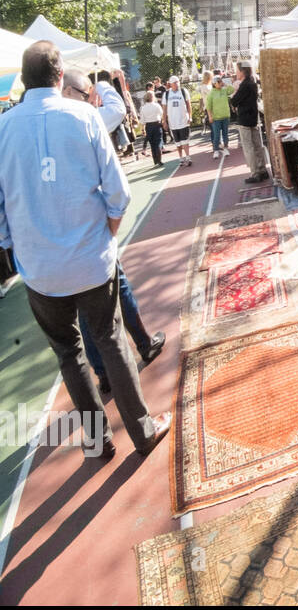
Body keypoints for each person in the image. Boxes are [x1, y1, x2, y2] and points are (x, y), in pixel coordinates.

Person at [0, 42, 171, 460]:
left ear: (25, 79)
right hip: (91, 260)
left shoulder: (4, 128)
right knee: (110, 340)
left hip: (39, 269)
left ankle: (98, 441)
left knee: (68, 354)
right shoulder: (84, 116)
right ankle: (142, 431)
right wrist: (107, 237)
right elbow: (119, 193)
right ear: (61, 77)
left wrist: (13, 250)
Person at [62, 71, 166, 394]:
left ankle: (104, 373)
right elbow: (118, 109)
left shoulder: (18, 129)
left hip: (58, 245)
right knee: (116, 297)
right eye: (85, 92)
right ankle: (140, 350)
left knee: (83, 315)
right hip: (91, 235)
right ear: (67, 90)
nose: (91, 98)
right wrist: (108, 83)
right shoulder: (83, 119)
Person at [230, 61, 268, 183]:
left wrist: (234, 96)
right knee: (257, 145)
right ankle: (262, 170)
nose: (236, 73)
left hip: (244, 119)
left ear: (242, 71)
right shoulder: (253, 82)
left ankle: (255, 173)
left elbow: (234, 101)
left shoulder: (244, 85)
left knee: (248, 148)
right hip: (253, 117)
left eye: (237, 70)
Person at [163, 75, 194, 166]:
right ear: (170, 84)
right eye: (174, 83)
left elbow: (189, 105)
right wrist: (164, 121)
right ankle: (181, 158)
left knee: (185, 141)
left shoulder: (184, 91)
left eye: (177, 82)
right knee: (178, 142)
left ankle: (188, 157)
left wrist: (190, 116)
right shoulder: (167, 94)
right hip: (173, 122)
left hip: (183, 120)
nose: (177, 84)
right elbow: (164, 109)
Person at [205, 72, 233, 161]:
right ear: (214, 83)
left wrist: (226, 84)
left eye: (221, 81)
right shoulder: (211, 94)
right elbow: (208, 107)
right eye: (219, 82)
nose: (221, 83)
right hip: (216, 118)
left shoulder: (224, 90)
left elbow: (232, 90)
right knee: (216, 135)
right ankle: (216, 150)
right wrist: (210, 116)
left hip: (225, 116)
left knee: (225, 134)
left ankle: (225, 148)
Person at [139, 90, 164, 166]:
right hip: (157, 125)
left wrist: (143, 129)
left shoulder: (143, 108)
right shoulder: (156, 105)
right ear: (153, 97)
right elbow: (162, 114)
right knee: (158, 142)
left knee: (152, 144)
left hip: (148, 127)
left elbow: (142, 121)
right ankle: (159, 160)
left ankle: (155, 160)